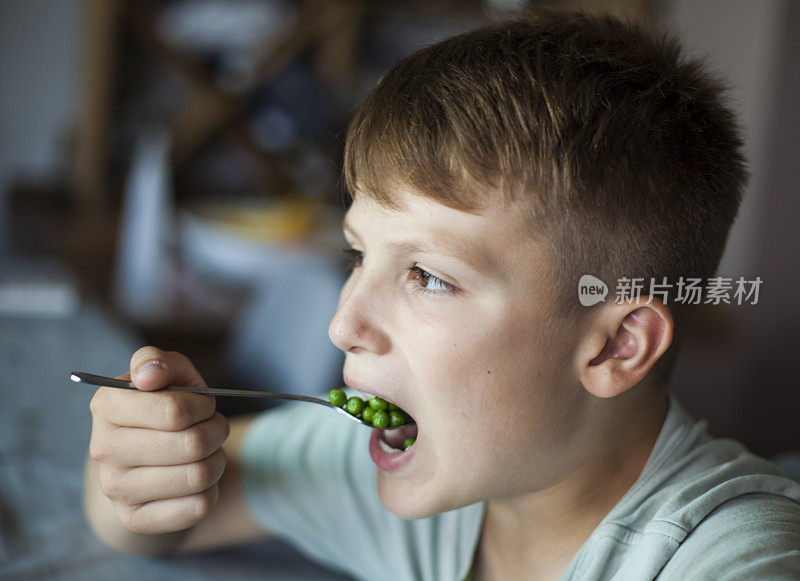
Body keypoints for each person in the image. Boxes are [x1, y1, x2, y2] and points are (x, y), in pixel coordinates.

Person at [83, 10, 800, 580]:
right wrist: (138, 474)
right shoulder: (412, 459)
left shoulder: (732, 557)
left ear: (616, 344)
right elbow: (168, 520)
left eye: (429, 275)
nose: (343, 324)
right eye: (357, 255)